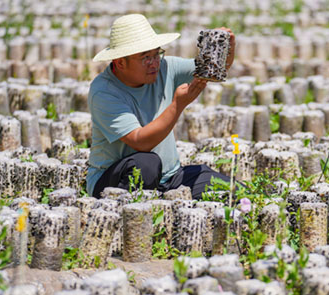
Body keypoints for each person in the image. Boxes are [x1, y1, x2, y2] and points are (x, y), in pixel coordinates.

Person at [86, 14, 236, 200]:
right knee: (146, 164)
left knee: (232, 191)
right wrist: (178, 105)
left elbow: (211, 70)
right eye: (145, 57)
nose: (154, 62)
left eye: (157, 54)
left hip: (170, 176)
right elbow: (140, 141)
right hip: (115, 180)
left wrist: (224, 47)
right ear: (120, 62)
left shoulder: (165, 67)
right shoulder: (104, 91)